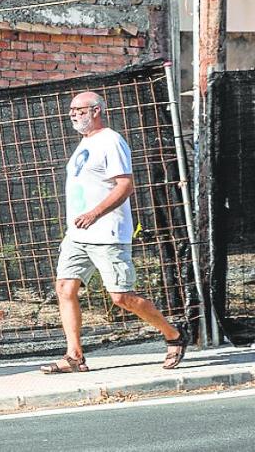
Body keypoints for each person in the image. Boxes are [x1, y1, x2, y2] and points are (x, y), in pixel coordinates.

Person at [41, 91, 190, 374]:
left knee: (121, 297)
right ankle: (74, 356)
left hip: (107, 233)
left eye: (79, 109)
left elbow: (124, 186)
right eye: (71, 110)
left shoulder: (111, 141)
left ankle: (174, 334)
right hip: (77, 235)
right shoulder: (85, 143)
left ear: (96, 110)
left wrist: (94, 213)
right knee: (65, 288)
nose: (73, 114)